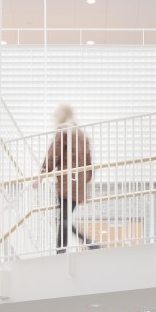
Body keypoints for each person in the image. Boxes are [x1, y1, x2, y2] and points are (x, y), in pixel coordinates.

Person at [41, 104, 94, 253]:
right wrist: (86, 185)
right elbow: (89, 163)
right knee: (65, 219)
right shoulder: (81, 134)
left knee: (64, 220)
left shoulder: (63, 130)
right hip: (79, 185)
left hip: (66, 184)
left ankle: (85, 242)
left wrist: (41, 175)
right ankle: (62, 251)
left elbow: (53, 155)